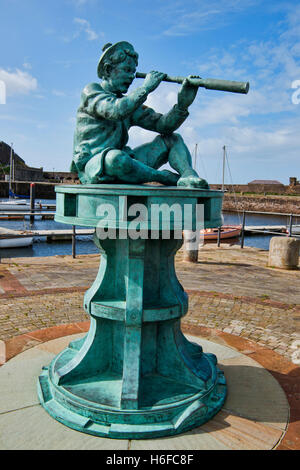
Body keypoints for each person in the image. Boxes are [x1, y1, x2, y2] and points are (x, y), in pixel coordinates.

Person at [71, 41, 209, 188]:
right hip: (96, 165)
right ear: (108, 69)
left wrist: (182, 105)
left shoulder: (128, 103)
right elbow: (115, 111)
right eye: (126, 70)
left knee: (173, 139)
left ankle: (188, 175)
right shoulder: (91, 91)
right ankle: (164, 177)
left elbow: (163, 125)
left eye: (133, 72)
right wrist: (146, 88)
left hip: (126, 161)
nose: (131, 77)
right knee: (115, 159)